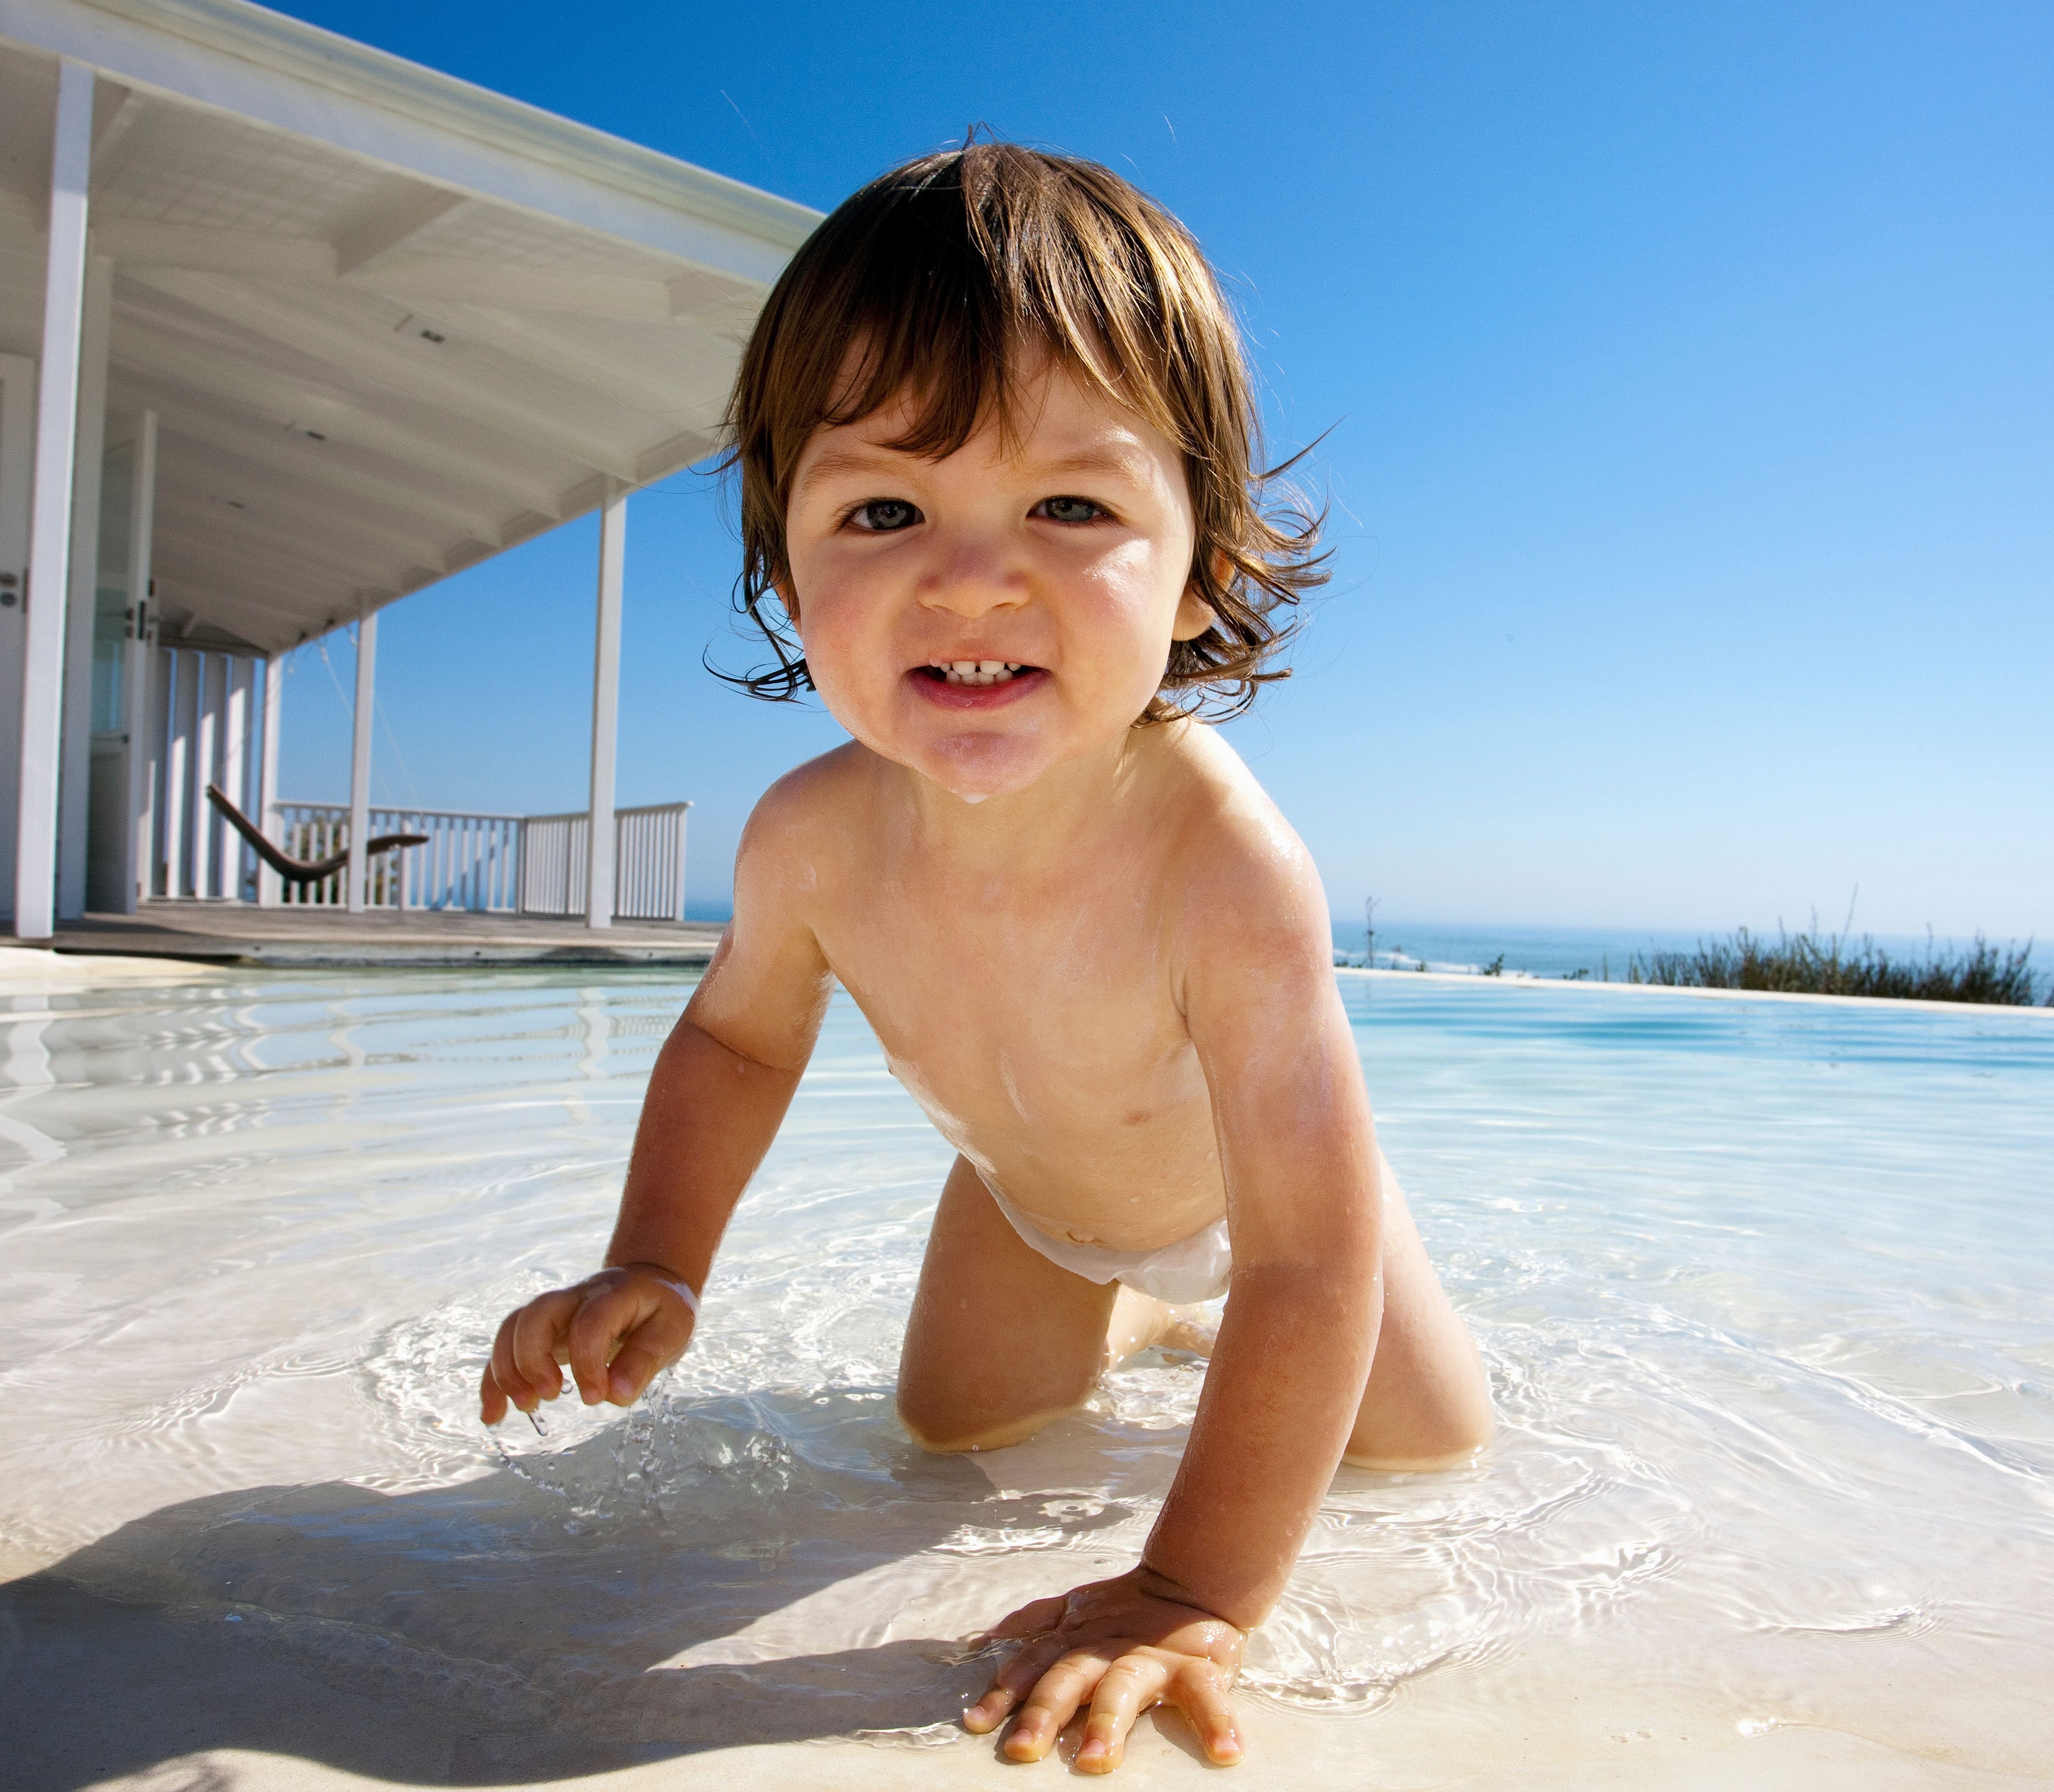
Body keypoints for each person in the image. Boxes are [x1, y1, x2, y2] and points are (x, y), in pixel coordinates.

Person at [478, 141, 1494, 1774]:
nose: (969, 578)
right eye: (883, 508)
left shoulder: (1221, 863)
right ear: (784, 568)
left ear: (1201, 574)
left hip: (1268, 1216)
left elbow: (1308, 1264)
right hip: (1030, 1196)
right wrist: (656, 1258)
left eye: (1070, 506)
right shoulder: (808, 838)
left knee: (1430, 1451)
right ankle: (1135, 1319)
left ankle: (1181, 1318)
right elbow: (738, 1044)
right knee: (950, 1433)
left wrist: (1187, 1589)